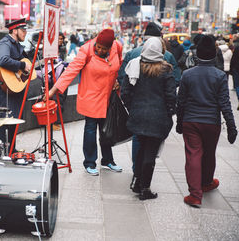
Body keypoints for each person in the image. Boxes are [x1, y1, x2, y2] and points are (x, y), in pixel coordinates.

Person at [48, 29, 123, 176]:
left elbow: (119, 65)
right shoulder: (86, 49)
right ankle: (89, 162)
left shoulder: (117, 47)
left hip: (108, 97)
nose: (100, 50)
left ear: (110, 46)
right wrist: (53, 90)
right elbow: (71, 70)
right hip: (91, 96)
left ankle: (108, 160)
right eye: (98, 47)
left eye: (104, 48)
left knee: (107, 129)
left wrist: (118, 80)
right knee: (90, 129)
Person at [176, 35, 237, 208]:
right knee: (209, 153)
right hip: (212, 122)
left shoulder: (187, 75)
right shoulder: (219, 76)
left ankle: (195, 195)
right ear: (214, 55)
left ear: (197, 54)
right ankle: (207, 182)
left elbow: (181, 102)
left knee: (193, 154)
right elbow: (225, 104)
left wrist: (179, 123)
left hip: (191, 121)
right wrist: (232, 128)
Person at [117, 22, 180, 178]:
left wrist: (132, 107)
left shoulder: (133, 59)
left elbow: (124, 88)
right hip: (158, 117)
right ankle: (144, 186)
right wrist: (169, 111)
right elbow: (172, 92)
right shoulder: (167, 65)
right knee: (151, 150)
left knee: (139, 144)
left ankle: (136, 176)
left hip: (138, 114)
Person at [0, 18, 31, 152]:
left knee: (13, 122)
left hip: (14, 90)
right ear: (14, 30)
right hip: (4, 91)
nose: (25, 32)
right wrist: (22, 65)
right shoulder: (5, 43)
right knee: (4, 123)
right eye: (23, 30)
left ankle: (11, 151)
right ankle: (2, 153)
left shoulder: (17, 45)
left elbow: (24, 67)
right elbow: (3, 60)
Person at [230, 46, 239, 110]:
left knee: (237, 86)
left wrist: (231, 69)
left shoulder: (237, 48)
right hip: (236, 68)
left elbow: (233, 59)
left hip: (236, 68)